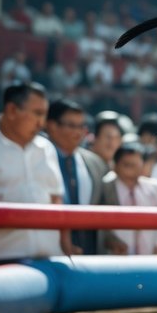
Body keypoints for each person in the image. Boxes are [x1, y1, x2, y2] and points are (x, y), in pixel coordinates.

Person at [0, 82, 70, 263]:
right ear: (11, 110)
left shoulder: (46, 148)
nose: (42, 123)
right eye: (37, 114)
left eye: (44, 115)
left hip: (49, 256)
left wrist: (65, 244)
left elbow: (56, 198)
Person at [45, 99, 109, 254]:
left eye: (82, 126)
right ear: (52, 126)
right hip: (48, 251)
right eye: (72, 126)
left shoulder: (95, 163)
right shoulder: (37, 159)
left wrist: (110, 239)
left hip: (88, 253)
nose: (79, 132)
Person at [100, 143, 157, 255]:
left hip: (149, 256)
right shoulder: (107, 188)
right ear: (115, 165)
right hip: (116, 258)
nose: (132, 168)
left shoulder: (154, 188)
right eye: (127, 164)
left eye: (136, 164)